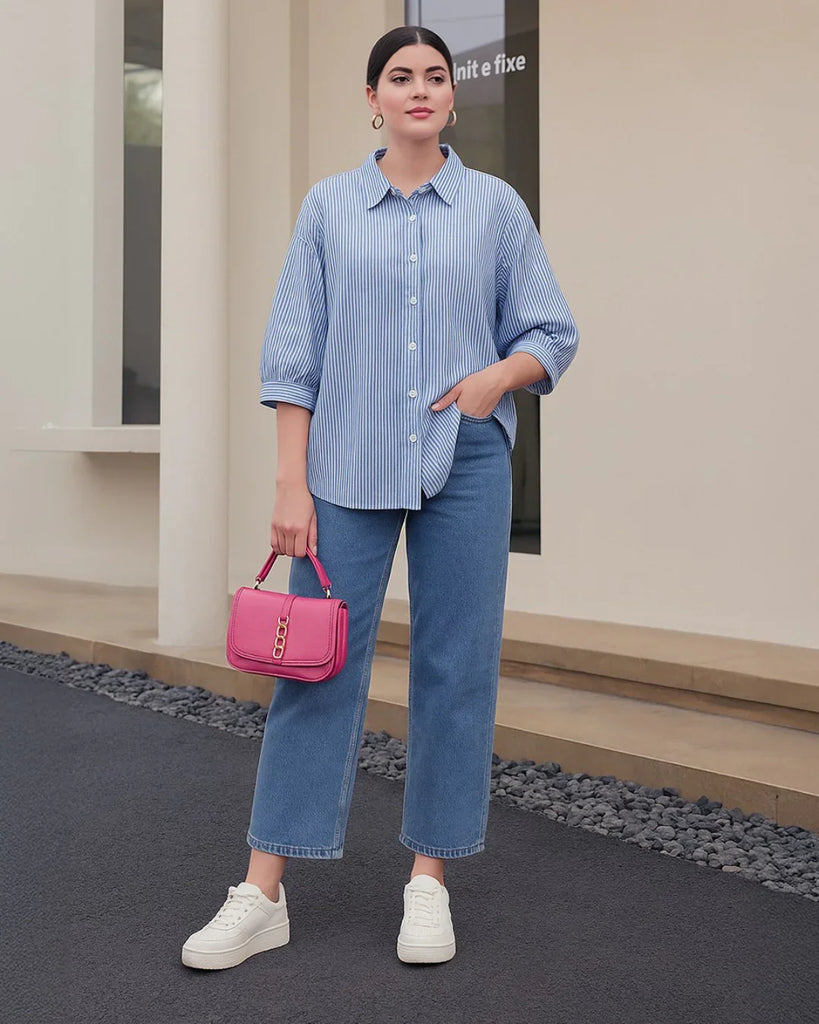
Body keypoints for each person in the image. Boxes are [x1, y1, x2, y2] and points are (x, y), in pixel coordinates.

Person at [182, 23, 579, 971]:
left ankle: (428, 882)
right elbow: (292, 356)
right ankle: (261, 892)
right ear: (372, 99)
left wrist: (493, 381)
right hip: (343, 469)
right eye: (398, 76)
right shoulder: (328, 208)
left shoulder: (494, 208)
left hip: (466, 462)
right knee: (311, 666)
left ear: (451, 98)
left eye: (434, 76)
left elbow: (551, 331)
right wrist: (291, 480)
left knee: (454, 667)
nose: (417, 89)